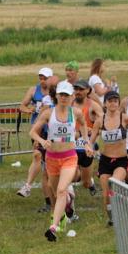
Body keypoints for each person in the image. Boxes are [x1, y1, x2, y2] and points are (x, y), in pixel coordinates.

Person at [31, 81, 92, 241]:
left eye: (67, 95)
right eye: (61, 95)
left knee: (61, 190)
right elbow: (32, 132)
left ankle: (53, 227)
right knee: (54, 189)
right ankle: (66, 208)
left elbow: (84, 126)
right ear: (56, 96)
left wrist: (86, 142)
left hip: (69, 157)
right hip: (51, 158)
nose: (64, 98)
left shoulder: (76, 113)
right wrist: (42, 141)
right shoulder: (48, 113)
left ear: (72, 97)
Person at [90, 91, 128, 226]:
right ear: (105, 103)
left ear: (118, 103)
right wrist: (89, 148)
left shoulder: (125, 118)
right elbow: (91, 140)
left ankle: (125, 194)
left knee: (113, 183)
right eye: (110, 101)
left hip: (121, 160)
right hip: (105, 161)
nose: (113, 103)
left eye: (115, 101)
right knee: (106, 194)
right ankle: (112, 218)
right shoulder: (99, 121)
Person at [16, 67, 55, 203]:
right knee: (37, 155)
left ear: (51, 78)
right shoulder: (34, 90)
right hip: (37, 129)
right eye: (41, 78)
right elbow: (22, 106)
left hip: (53, 131)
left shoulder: (56, 92)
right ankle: (28, 186)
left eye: (45, 78)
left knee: (50, 165)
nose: (42, 81)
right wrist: (29, 110)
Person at [72, 79, 102, 195]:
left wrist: (94, 129)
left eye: (81, 89)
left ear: (88, 91)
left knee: (86, 183)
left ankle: (90, 182)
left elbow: (104, 123)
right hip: (70, 146)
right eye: (76, 89)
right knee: (71, 177)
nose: (78, 91)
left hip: (86, 149)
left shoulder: (93, 106)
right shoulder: (69, 104)